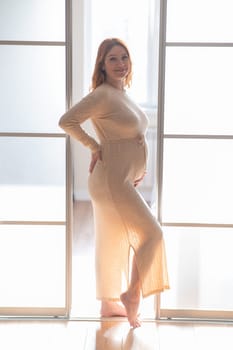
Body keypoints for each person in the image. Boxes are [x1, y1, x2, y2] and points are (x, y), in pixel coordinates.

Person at [59, 38, 169, 328]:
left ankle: (109, 305)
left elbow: (128, 134)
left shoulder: (123, 93)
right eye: (113, 59)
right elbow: (67, 121)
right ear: (102, 65)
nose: (121, 64)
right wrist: (94, 147)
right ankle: (132, 295)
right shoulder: (103, 95)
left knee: (111, 240)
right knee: (153, 233)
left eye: (124, 57)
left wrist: (137, 163)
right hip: (110, 180)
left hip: (121, 178)